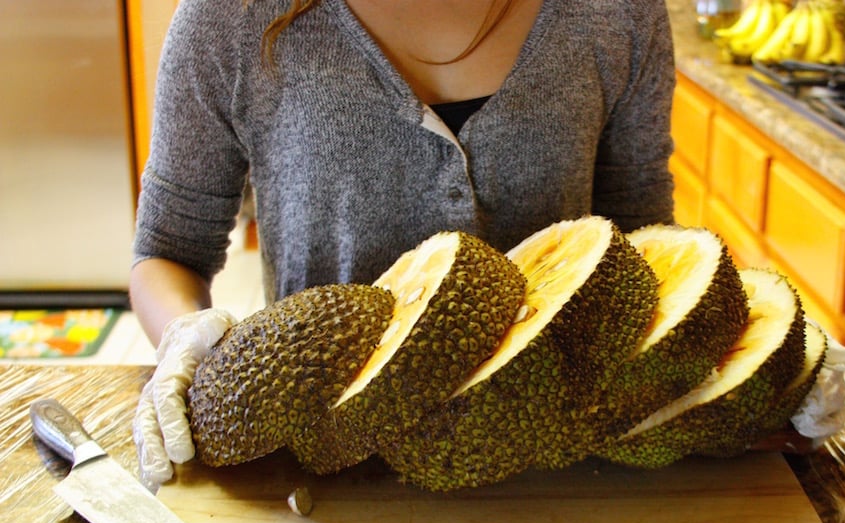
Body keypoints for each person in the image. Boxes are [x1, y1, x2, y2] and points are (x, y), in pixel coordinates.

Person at [130, 0, 678, 487]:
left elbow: (641, 242)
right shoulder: (230, 16)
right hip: (324, 478)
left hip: (558, 476)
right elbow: (168, 251)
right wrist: (184, 338)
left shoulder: (618, 13)